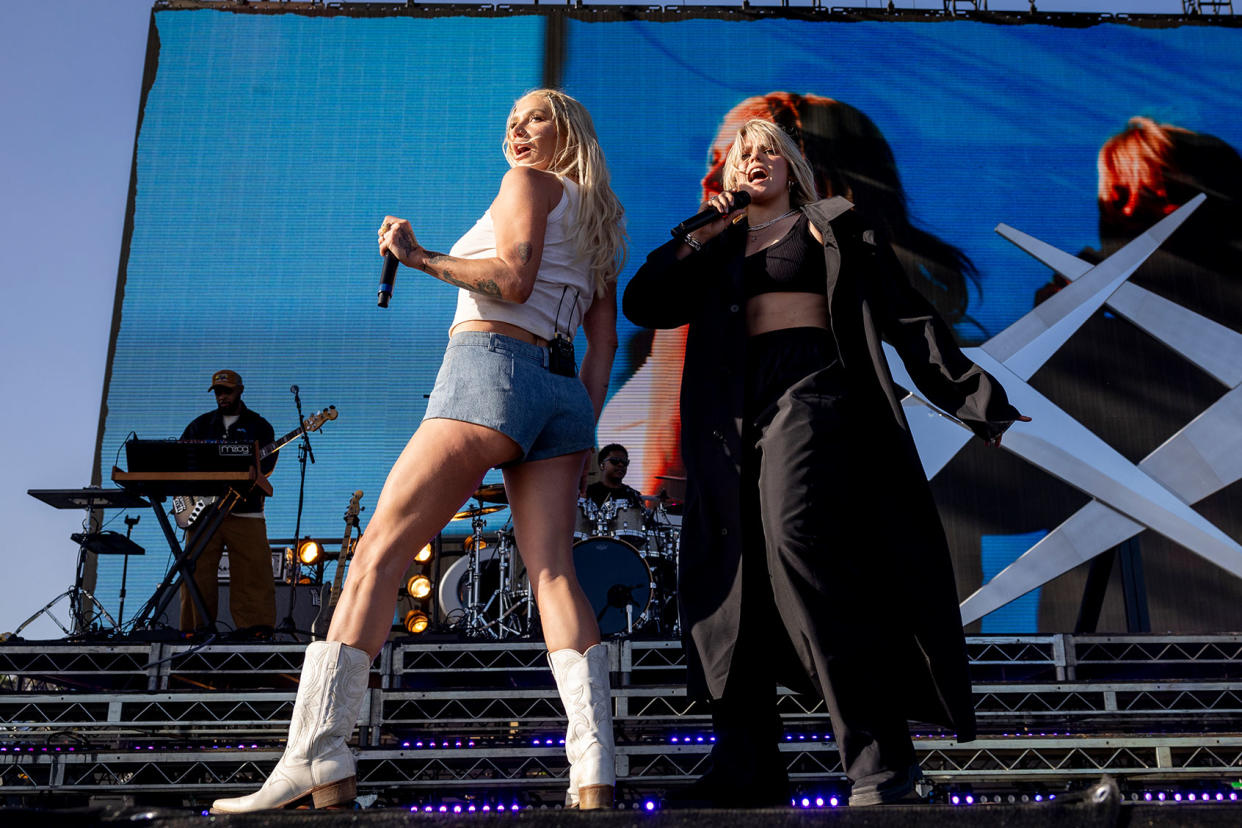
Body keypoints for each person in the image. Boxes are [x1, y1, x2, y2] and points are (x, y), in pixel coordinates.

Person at [211, 89, 626, 813]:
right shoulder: (600, 222)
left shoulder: (525, 186)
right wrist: (580, 428)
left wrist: (418, 255)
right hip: (562, 397)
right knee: (555, 575)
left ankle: (315, 751)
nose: (517, 133)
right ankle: (594, 768)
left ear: (567, 129)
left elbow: (510, 280)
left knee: (378, 552)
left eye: (534, 118)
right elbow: (605, 343)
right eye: (510, 124)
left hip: (491, 369)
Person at [623, 119, 1026, 807]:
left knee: (797, 544)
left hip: (812, 388)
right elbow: (645, 303)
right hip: (730, 410)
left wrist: (970, 397)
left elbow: (908, 316)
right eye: (742, 156)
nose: (756, 162)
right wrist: (698, 233)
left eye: (768, 151)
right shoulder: (715, 245)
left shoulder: (830, 227)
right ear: (727, 176)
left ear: (792, 167)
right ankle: (748, 766)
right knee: (732, 573)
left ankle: (880, 763)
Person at [600, 91, 987, 496]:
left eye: (747, 158)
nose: (710, 180)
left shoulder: (843, 270)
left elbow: (662, 481)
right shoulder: (712, 274)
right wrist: (696, 240)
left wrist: (979, 402)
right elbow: (641, 304)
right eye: (723, 160)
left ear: (805, 169)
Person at [179, 369, 277, 637]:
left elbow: (266, 465)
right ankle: (196, 630)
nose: (222, 396)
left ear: (240, 390)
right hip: (203, 511)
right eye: (218, 392)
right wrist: (184, 502)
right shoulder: (199, 426)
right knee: (196, 570)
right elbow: (179, 464)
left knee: (253, 570)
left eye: (227, 391)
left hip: (245, 509)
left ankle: (255, 629)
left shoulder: (259, 426)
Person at [584, 443, 644, 509]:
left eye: (624, 462)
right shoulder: (588, 493)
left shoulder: (634, 496)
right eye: (615, 461)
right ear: (602, 465)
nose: (621, 465)